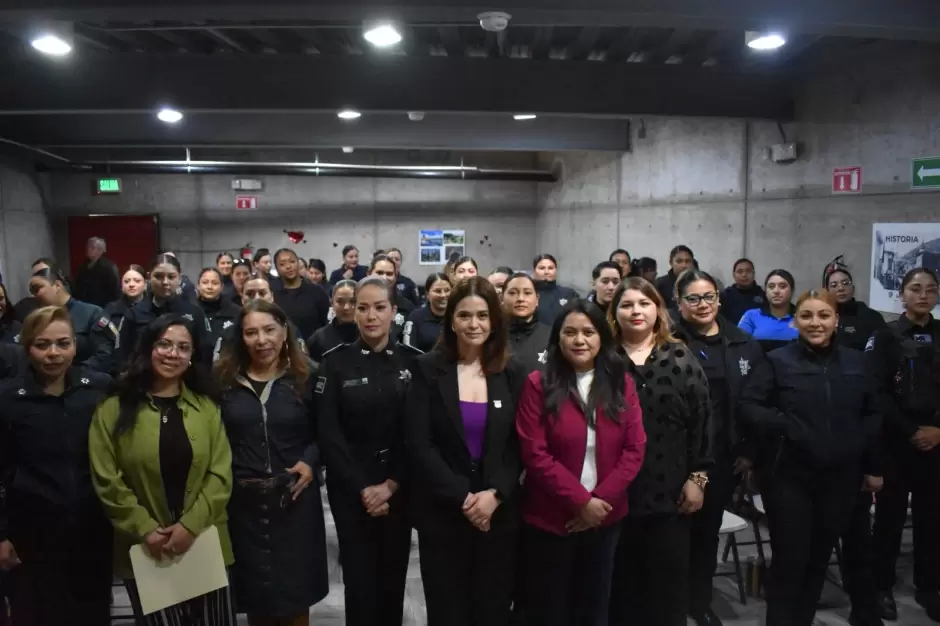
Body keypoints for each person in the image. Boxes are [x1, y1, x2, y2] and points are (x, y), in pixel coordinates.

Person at [739, 289, 881, 626]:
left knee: (819, 558)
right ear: (795, 321)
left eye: (823, 315)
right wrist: (787, 426)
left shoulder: (858, 362)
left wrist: (867, 459)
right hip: (789, 476)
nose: (815, 323)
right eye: (806, 316)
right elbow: (748, 405)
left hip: (840, 477)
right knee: (791, 559)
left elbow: (873, 413)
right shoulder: (776, 360)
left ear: (836, 320)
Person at [89, 314, 236, 624]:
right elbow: (106, 477)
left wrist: (190, 526)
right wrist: (144, 527)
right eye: (165, 344)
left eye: (183, 347)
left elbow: (220, 473)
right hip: (145, 547)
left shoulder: (207, 406)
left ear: (193, 356)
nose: (173, 354)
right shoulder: (114, 407)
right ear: (148, 348)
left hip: (203, 541)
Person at [515, 299, 646, 626]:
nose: (579, 340)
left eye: (588, 332)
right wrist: (580, 501)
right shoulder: (538, 383)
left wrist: (599, 502)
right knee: (550, 610)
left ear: (602, 336)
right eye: (570, 332)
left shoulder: (622, 384)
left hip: (605, 518)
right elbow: (534, 452)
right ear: (557, 338)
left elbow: (634, 448)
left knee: (594, 608)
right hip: (551, 517)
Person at [405, 276, 526, 626]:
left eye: (483, 316)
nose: (474, 324)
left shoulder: (513, 372)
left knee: (492, 608)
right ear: (452, 321)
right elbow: (419, 443)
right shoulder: (427, 369)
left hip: (498, 515)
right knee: (448, 610)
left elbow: (519, 444)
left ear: (495, 321)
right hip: (443, 514)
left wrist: (495, 495)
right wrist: (463, 497)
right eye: (465, 315)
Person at [317, 277, 424, 626]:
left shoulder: (416, 363)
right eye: (362, 308)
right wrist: (364, 488)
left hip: (399, 486)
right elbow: (329, 435)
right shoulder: (334, 363)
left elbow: (419, 434)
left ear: (394, 311)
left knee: (392, 579)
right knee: (359, 583)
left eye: (379, 307)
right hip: (352, 491)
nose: (370, 315)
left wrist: (390, 484)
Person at [215, 299, 329, 625]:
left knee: (295, 598)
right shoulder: (224, 381)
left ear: (284, 333)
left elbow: (328, 433)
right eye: (251, 332)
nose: (261, 340)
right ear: (241, 337)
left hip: (294, 500)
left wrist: (311, 461)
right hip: (244, 505)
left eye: (269, 330)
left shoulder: (308, 376)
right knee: (257, 599)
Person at [607, 277, 711, 626]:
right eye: (626, 304)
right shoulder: (603, 358)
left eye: (644, 303)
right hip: (612, 495)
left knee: (666, 594)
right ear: (614, 311)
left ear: (658, 309)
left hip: (670, 496)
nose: (636, 311)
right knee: (621, 592)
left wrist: (698, 477)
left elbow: (703, 422)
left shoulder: (680, 355)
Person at [0, 306, 113, 626]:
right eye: (43, 344)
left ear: (76, 345)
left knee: (92, 613)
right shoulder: (8, 400)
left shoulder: (98, 389)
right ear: (27, 347)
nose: (54, 353)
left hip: (91, 529)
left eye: (63, 343)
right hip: (31, 533)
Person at [671, 269, 765, 626]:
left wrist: (749, 450)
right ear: (679, 304)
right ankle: (668, 605)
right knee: (671, 540)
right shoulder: (667, 341)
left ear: (719, 299)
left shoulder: (743, 343)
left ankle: (699, 602)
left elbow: (756, 402)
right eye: (692, 298)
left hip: (720, 461)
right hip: (672, 459)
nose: (702, 304)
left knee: (706, 538)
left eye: (708, 296)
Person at [869, 267, 940, 623]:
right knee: (889, 519)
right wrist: (911, 430)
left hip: (937, 441)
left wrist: (937, 430)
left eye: (930, 289)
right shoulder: (886, 336)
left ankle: (929, 587)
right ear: (902, 294)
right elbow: (877, 393)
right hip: (896, 440)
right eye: (915, 289)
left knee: (933, 518)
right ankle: (881, 586)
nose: (923, 295)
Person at [118, 254, 212, 367]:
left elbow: (204, 356)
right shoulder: (134, 314)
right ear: (148, 277)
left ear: (180, 278)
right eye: (158, 276)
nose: (165, 282)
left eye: (171, 277)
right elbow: (122, 356)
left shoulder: (195, 314)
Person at [29, 266, 116, 373]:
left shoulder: (92, 313)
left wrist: (72, 374)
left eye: (37, 288)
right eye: (32, 291)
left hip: (86, 380)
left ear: (57, 285)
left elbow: (105, 356)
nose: (34, 295)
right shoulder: (36, 318)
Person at [823, 266, 887, 353]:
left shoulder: (871, 317)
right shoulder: (822, 317)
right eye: (834, 285)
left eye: (845, 283)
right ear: (827, 291)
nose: (841, 288)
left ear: (853, 288)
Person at [272, 248, 330, 340]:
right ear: (277, 269)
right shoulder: (272, 293)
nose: (288, 266)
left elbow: (325, 322)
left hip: (314, 347)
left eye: (292, 261)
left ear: (298, 263)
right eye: (282, 264)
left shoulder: (317, 291)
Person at [737, 269, 798, 352]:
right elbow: (739, 347)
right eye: (771, 286)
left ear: (792, 290)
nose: (776, 291)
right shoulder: (752, 316)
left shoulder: (801, 316)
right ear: (765, 291)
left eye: (782, 286)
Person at [504, 272, 552, 373]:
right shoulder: (491, 336)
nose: (520, 299)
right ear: (501, 298)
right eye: (512, 293)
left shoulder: (552, 336)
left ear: (537, 299)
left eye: (527, 293)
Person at [307, 279, 358, 364]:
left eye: (353, 301)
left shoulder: (372, 335)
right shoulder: (319, 339)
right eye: (340, 302)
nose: (346, 307)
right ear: (331, 302)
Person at [197, 267, 242, 361]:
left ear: (222, 287)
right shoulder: (190, 311)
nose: (209, 287)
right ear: (198, 285)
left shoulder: (235, 311)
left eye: (215, 283)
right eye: (205, 282)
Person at [403, 273, 451, 352]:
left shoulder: (457, 316)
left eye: (447, 290)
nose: (443, 295)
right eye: (438, 291)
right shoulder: (416, 317)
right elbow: (409, 349)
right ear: (427, 295)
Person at [369, 254, 415, 335]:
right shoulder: (358, 304)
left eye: (389, 274)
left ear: (395, 277)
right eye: (379, 272)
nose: (384, 277)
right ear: (369, 274)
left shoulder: (407, 306)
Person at [73, 236, 121, 308]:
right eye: (88, 246)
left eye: (92, 247)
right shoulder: (83, 267)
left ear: (100, 250)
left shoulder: (108, 267)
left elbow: (115, 291)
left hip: (102, 308)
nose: (88, 249)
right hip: (84, 307)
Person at [533, 254, 580, 326]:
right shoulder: (529, 294)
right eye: (542, 268)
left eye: (551, 268)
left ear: (556, 270)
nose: (546, 272)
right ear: (534, 271)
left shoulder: (569, 294)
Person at [719, 258, 767, 326]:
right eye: (740, 271)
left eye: (748, 271)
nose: (744, 275)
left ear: (753, 274)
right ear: (734, 274)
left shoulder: (763, 295)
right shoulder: (725, 296)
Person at [13, 258, 57, 323]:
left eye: (42, 274)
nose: (38, 279)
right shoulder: (23, 307)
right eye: (35, 275)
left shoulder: (69, 307)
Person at [104, 265, 147, 331]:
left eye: (137, 281)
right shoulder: (111, 308)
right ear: (122, 286)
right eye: (126, 281)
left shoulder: (153, 308)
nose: (131, 285)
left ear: (145, 285)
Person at [655, 245, 695, 310]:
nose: (684, 265)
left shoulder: (699, 282)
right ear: (671, 262)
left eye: (687, 261)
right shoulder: (660, 284)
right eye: (679, 261)